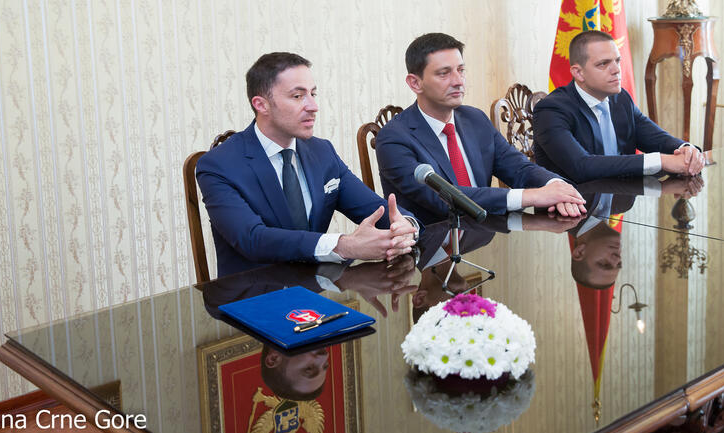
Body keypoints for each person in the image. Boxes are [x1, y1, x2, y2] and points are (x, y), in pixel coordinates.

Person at [196, 52, 418, 275]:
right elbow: (252, 239)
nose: (313, 106)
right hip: (254, 295)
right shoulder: (218, 165)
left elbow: (374, 208)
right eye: (297, 96)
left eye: (313, 94)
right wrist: (344, 245)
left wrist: (406, 226)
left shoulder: (322, 151)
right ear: (261, 104)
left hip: (317, 289)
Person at [375, 33, 587, 225]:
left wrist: (558, 188)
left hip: (486, 235)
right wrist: (534, 196)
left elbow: (519, 168)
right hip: (433, 248)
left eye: (461, 70)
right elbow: (442, 199)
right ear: (415, 83)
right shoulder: (394, 138)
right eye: (444, 73)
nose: (458, 81)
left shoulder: (474, 119)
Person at [533, 30, 705, 183]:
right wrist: (661, 161)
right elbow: (581, 166)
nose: (616, 70)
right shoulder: (551, 110)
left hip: (617, 202)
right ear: (579, 73)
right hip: (567, 212)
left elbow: (656, 138)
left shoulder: (620, 98)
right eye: (603, 64)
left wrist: (686, 150)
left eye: (617, 61)